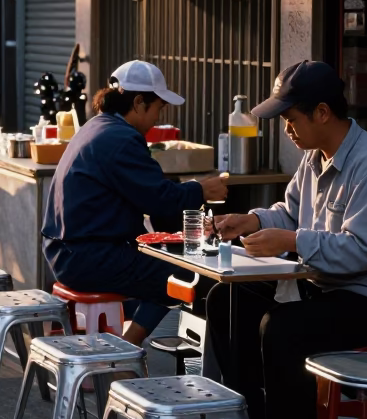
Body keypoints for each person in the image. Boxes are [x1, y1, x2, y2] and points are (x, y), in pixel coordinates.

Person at [205, 60, 367, 419]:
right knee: (227, 299)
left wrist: (290, 242)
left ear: (322, 112)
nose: (286, 129)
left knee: (283, 326)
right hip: (326, 289)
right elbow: (291, 213)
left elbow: (365, 252)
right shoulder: (313, 157)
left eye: (291, 118)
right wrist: (250, 221)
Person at [41, 61, 229, 345]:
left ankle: (114, 335)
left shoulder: (97, 127)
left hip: (68, 250)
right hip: (87, 258)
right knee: (183, 274)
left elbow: (148, 192)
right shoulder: (121, 138)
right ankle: (128, 348)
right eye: (158, 108)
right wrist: (200, 190)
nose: (157, 117)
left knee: (160, 272)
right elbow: (160, 200)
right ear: (139, 102)